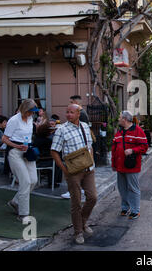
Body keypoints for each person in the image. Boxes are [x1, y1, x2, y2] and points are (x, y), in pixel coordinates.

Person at [51, 104, 97, 245]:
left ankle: (82, 222)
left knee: (92, 197)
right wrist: (65, 170)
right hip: (73, 172)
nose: (68, 114)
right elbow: (54, 151)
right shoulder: (62, 130)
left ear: (78, 113)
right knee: (76, 202)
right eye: (67, 112)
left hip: (88, 169)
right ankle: (78, 232)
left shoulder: (84, 126)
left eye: (71, 112)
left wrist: (92, 162)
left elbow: (90, 146)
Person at [2, 99, 40, 222]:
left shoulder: (30, 119)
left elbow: (28, 136)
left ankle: (15, 201)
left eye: (33, 112)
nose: (31, 114)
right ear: (24, 109)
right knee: (25, 181)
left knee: (33, 180)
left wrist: (27, 146)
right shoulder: (14, 120)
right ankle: (23, 214)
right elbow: (4, 138)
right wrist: (17, 146)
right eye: (30, 112)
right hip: (15, 152)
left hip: (27, 151)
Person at [112, 110, 148, 220]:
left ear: (125, 119)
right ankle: (125, 207)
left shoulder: (138, 131)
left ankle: (135, 210)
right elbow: (114, 149)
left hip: (132, 166)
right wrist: (113, 164)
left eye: (120, 118)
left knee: (133, 188)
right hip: (120, 166)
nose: (118, 119)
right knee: (122, 188)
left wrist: (133, 150)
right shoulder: (119, 131)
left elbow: (144, 147)